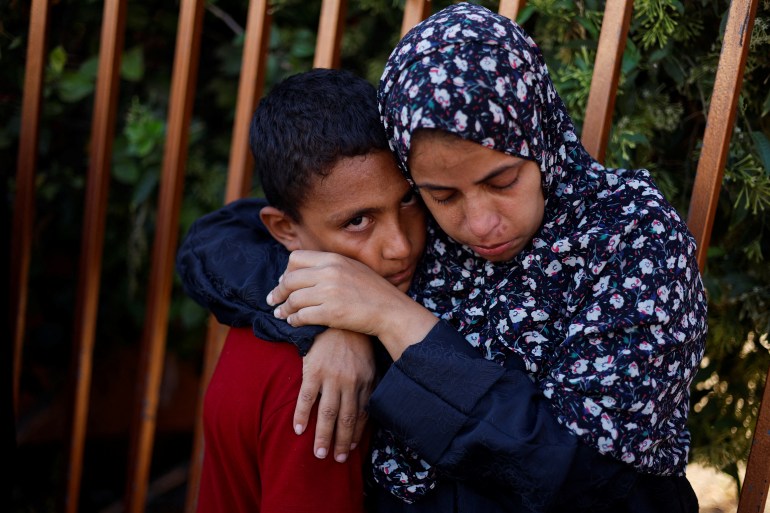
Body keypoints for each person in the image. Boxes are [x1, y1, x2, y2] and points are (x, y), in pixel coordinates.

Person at [180, 4, 707, 512]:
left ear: (540, 139)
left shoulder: (630, 236)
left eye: (502, 181)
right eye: (442, 195)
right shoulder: (413, 216)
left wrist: (391, 318)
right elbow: (222, 239)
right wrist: (326, 324)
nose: (479, 224)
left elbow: (574, 473)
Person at [179, 67, 427, 513]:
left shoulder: (266, 323)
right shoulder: (320, 390)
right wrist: (326, 327)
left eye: (409, 199)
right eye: (358, 221)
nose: (400, 246)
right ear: (284, 230)